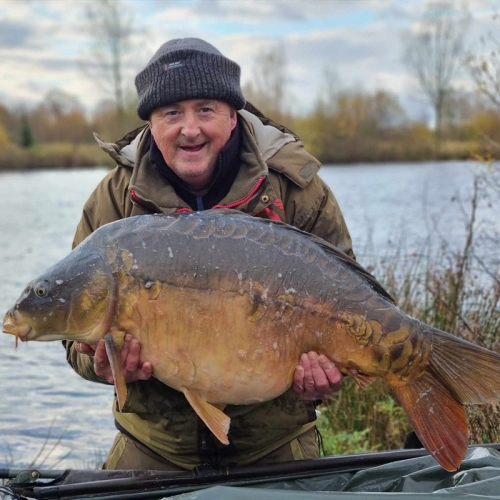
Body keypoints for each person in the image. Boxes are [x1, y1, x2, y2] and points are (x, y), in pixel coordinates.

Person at [64, 38, 356, 471]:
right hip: (157, 444)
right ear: (150, 123)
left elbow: (353, 310)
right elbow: (74, 342)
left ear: (232, 115)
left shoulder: (296, 191)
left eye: (205, 109)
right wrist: (103, 365)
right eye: (171, 113)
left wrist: (326, 379)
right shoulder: (113, 202)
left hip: (274, 443)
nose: (190, 129)